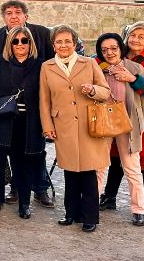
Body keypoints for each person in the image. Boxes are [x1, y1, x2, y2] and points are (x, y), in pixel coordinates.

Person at [40, 24, 111, 232]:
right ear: (53, 45)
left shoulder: (88, 63)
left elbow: (105, 91)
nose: (63, 45)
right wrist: (47, 126)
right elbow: (44, 100)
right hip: (63, 125)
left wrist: (92, 90)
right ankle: (71, 213)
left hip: (89, 124)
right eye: (59, 42)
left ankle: (90, 217)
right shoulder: (47, 67)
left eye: (67, 41)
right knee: (70, 172)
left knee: (88, 172)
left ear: (74, 43)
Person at [0, 0, 55, 208]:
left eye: (18, 12)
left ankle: (40, 188)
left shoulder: (42, 34)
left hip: (34, 106)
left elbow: (51, 66)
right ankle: (15, 188)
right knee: (10, 151)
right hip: (7, 108)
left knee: (35, 150)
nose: (14, 16)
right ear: (3, 17)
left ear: (26, 16)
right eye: (9, 13)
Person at [102, 21, 144, 220]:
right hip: (115, 116)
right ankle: (109, 196)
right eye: (133, 35)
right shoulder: (115, 56)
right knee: (114, 157)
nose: (136, 40)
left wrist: (134, 79)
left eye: (141, 36)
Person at [0, 26, 45, 219]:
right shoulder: (1, 62)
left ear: (30, 43)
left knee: (23, 165)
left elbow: (45, 96)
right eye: (15, 41)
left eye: (24, 41)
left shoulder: (40, 65)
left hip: (28, 122)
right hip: (2, 119)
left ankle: (24, 203)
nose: (20, 45)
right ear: (10, 44)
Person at [93, 33, 144, 226]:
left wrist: (132, 79)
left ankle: (139, 209)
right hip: (102, 122)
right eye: (104, 49)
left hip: (127, 124)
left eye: (113, 48)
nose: (109, 52)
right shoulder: (97, 68)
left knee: (132, 167)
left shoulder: (135, 68)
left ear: (121, 48)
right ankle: (92, 206)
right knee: (98, 166)